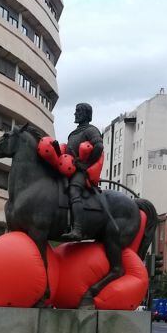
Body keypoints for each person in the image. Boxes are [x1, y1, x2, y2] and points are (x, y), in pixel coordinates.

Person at [63, 103, 104, 241]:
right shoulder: (72, 133)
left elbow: (98, 146)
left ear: (86, 114)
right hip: (67, 169)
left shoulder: (91, 130)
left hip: (81, 171)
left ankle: (78, 229)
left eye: (78, 111)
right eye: (75, 111)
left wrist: (85, 164)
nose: (75, 114)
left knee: (74, 191)